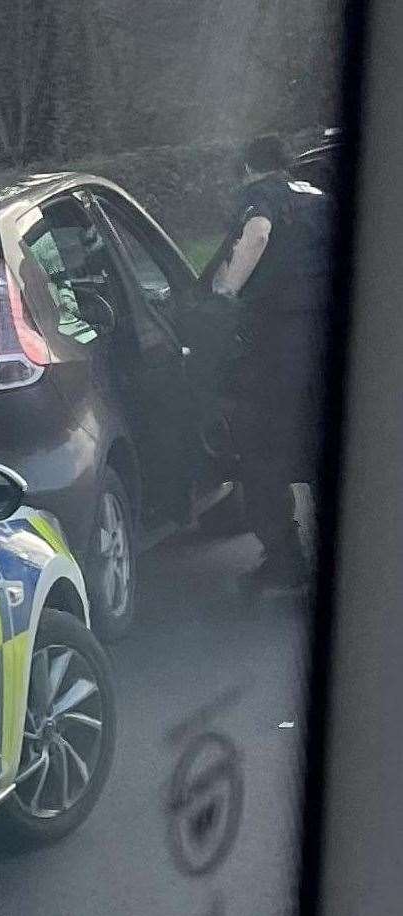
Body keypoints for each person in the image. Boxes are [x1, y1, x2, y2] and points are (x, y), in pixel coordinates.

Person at [209, 132, 337, 593]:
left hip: (283, 344)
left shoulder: (261, 196)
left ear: (249, 167)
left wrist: (226, 292)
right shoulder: (320, 196)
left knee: (265, 453)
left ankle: (285, 562)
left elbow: (257, 233)